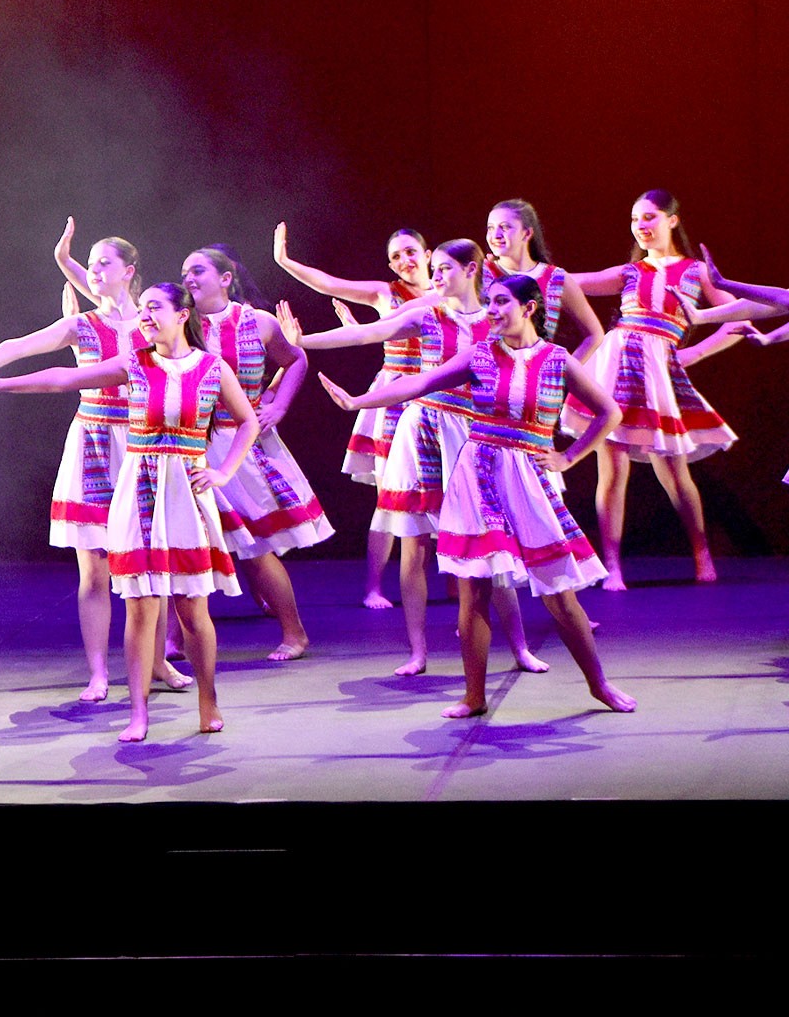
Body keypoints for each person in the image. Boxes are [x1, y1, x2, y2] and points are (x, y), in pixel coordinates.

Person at [322, 273, 635, 718]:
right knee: (474, 590)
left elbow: (610, 412)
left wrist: (569, 456)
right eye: (490, 302)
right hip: (478, 474)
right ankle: (474, 696)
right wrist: (358, 402)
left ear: (529, 308)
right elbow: (420, 383)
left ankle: (599, 685)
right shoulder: (480, 354)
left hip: (528, 477)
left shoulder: (556, 358)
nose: (492, 310)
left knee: (560, 593)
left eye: (502, 302)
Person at [0, 283, 258, 737]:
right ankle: (138, 713)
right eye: (141, 308)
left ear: (182, 315)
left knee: (191, 611)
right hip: (138, 490)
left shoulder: (211, 367)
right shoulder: (134, 363)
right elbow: (64, 379)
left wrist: (223, 473)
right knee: (140, 607)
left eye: (154, 307)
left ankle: (209, 702)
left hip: (186, 495)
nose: (145, 316)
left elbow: (248, 421)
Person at [279, 240, 546, 676]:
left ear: (471, 270)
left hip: (472, 432)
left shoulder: (495, 319)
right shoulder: (427, 313)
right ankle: (418, 652)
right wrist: (304, 340)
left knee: (489, 543)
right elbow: (368, 332)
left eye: (444, 269)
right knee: (414, 542)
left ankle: (519, 647)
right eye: (433, 269)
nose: (435, 276)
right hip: (423, 428)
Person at [0, 223, 165, 701]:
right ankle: (98, 672)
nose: (95, 270)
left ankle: (158, 662)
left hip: (142, 443)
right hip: (94, 443)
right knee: (95, 569)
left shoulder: (152, 322)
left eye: (105, 263)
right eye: (91, 263)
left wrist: (65, 260)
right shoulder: (80, 324)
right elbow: (21, 346)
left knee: (150, 564)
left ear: (129, 271)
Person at [566, 190, 742, 588]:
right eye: (634, 220)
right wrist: (518, 269)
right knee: (611, 468)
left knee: (674, 471)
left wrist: (695, 352)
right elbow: (570, 281)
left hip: (658, 373)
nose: (640, 226)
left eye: (649, 217)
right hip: (616, 369)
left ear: (672, 220)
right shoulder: (630, 272)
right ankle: (613, 565)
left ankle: (701, 552)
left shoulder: (695, 271)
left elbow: (736, 319)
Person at [273, 221, 433, 611]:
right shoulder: (386, 293)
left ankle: (447, 585)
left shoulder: (450, 293)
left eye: (411, 252)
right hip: (394, 398)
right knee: (391, 498)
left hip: (436, 394)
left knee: (436, 497)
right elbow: (330, 284)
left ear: (428, 255)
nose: (405, 260)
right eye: (396, 256)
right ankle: (374, 586)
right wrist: (285, 261)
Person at [179, 248, 327, 660]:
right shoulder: (180, 323)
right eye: (185, 272)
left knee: (256, 546)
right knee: (183, 545)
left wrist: (278, 407)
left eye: (198, 270)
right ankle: (174, 639)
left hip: (238, 444)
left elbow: (295, 360)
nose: (189, 278)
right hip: (190, 444)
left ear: (225, 278)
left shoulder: (256, 322)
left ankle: (294, 633)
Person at [482, 199, 605, 356]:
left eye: (505, 227)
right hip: (488, 369)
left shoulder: (555, 279)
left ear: (527, 233)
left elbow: (594, 335)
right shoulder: (481, 273)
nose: (495, 235)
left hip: (536, 370)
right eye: (490, 228)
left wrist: (565, 368)